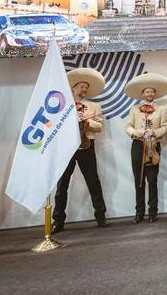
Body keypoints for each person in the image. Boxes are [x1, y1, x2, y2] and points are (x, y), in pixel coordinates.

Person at [52, 68, 108, 233]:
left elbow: (99, 126)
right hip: (67, 148)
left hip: (86, 146)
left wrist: (87, 122)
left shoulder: (94, 106)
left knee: (93, 181)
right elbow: (54, 126)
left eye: (86, 87)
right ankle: (58, 221)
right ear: (73, 89)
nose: (84, 89)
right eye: (81, 86)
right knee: (62, 185)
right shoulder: (62, 106)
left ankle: (100, 216)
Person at [124, 73, 167, 223]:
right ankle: (139, 212)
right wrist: (135, 132)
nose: (150, 94)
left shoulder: (161, 109)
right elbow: (128, 126)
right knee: (139, 180)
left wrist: (154, 132)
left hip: (153, 146)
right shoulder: (135, 109)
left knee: (152, 180)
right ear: (142, 94)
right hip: (138, 145)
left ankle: (153, 212)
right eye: (147, 91)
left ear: (154, 94)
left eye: (152, 91)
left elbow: (165, 127)